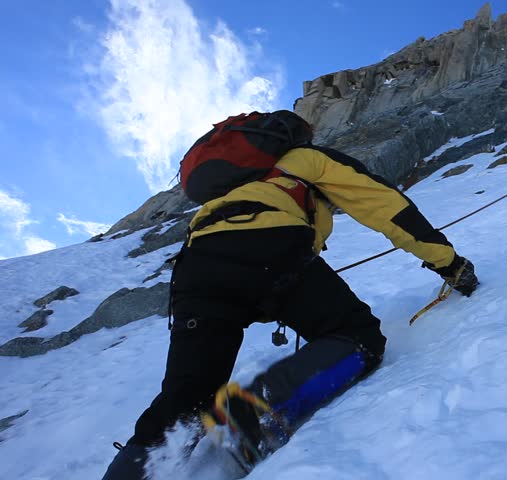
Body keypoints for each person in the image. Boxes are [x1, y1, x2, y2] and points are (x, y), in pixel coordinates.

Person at [101, 110, 479, 479]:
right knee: (357, 336)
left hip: (195, 266)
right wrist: (449, 264)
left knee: (187, 395)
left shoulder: (230, 187)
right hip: (271, 249)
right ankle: (257, 414)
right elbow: (386, 207)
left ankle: (136, 470)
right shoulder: (305, 160)